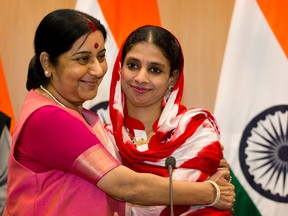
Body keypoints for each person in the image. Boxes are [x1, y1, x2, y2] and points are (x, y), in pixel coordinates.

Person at [3, 9, 235, 216]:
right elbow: (127, 187)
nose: (96, 70)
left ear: (172, 78)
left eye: (101, 57)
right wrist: (210, 191)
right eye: (83, 59)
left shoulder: (84, 116)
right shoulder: (50, 118)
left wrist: (202, 166)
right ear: (47, 63)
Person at [106, 25, 234, 215]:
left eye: (155, 70)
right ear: (120, 68)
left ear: (172, 78)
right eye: (133, 65)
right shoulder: (104, 139)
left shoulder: (194, 131)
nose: (141, 77)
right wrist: (208, 192)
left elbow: (220, 203)